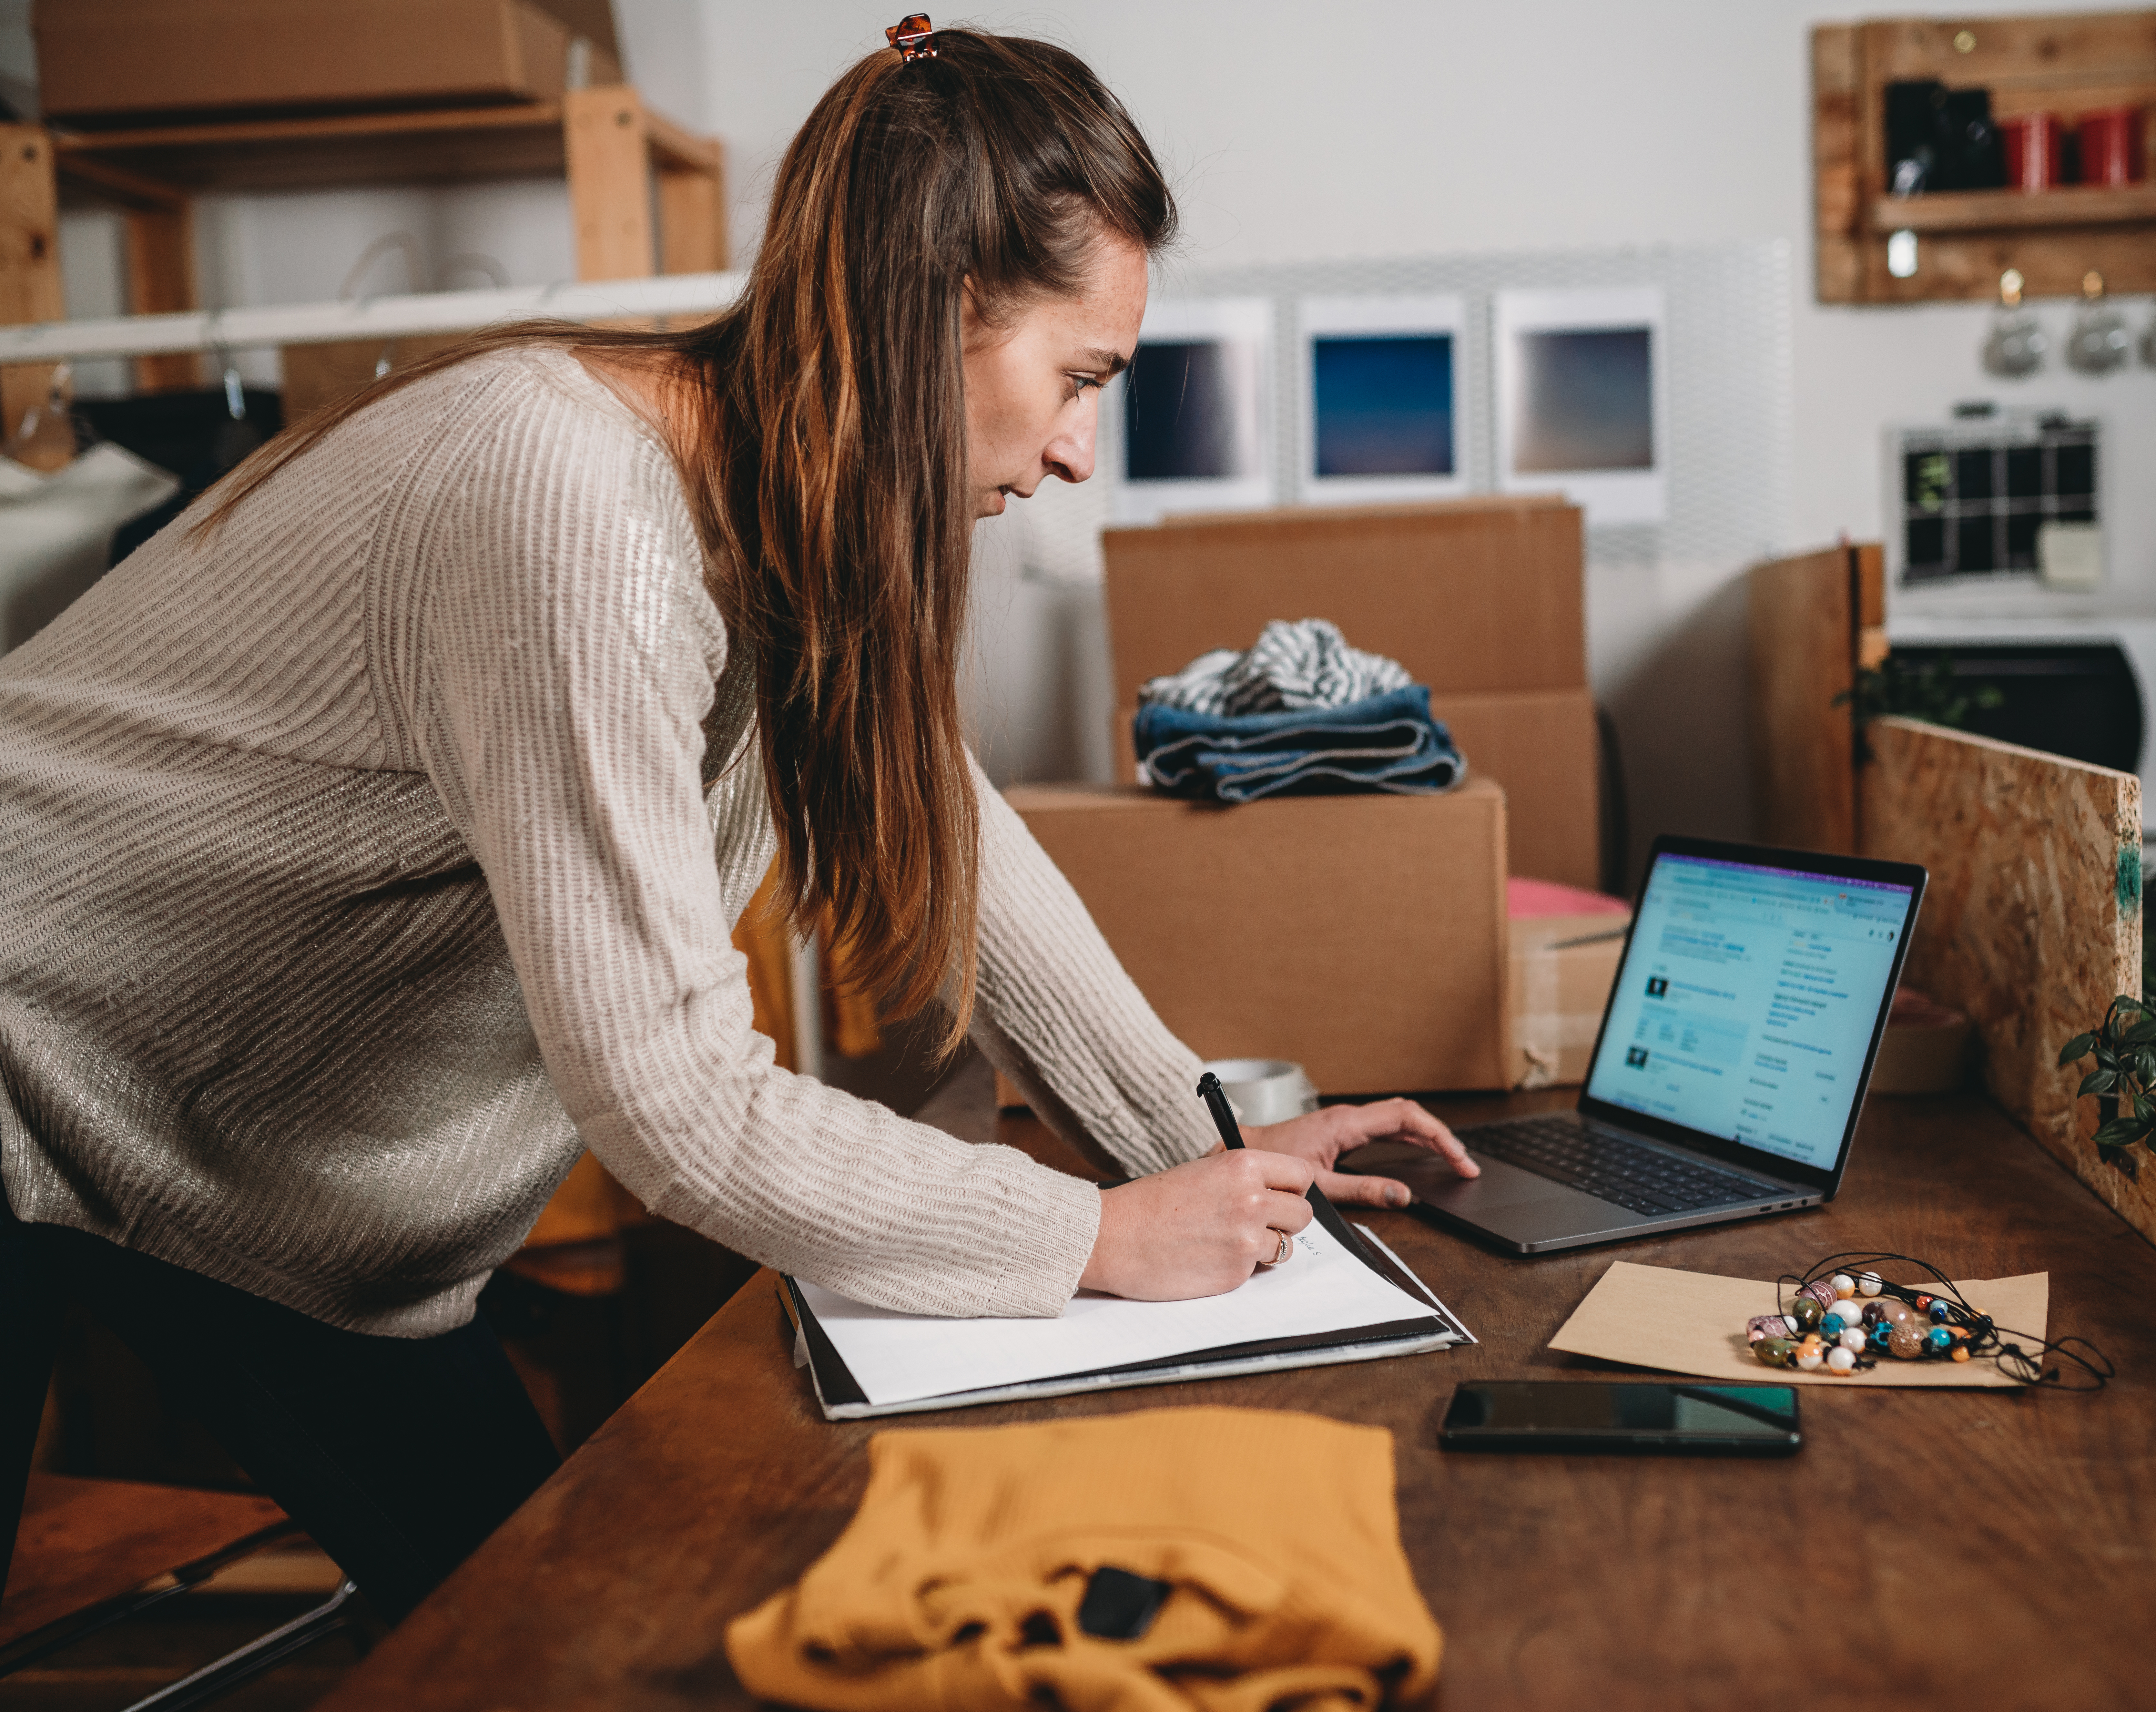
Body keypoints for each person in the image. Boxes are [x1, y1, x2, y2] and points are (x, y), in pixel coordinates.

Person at [0, 25, 1473, 1622]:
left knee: (534, 1641)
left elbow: (950, 837)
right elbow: (674, 1102)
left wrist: (1206, 1153)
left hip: (253, 1176)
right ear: (937, 313)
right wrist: (1094, 1235)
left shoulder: (786, 501)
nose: (1074, 452)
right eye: (1078, 379)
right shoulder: (575, 504)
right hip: (31, 1048)